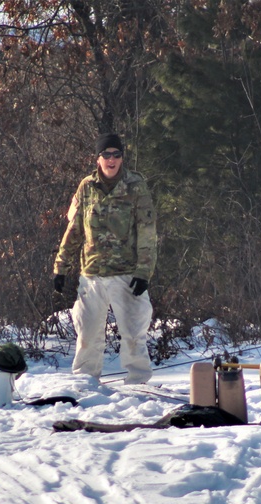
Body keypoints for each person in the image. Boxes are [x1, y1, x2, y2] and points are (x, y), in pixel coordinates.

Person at [53, 132, 158, 385]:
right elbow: (75, 229)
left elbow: (147, 231)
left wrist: (144, 272)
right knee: (87, 335)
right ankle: (85, 385)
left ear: (122, 158)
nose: (111, 160)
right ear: (98, 158)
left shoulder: (136, 186)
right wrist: (61, 267)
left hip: (127, 275)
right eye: (106, 155)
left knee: (134, 334)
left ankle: (139, 386)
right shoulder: (86, 187)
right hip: (92, 275)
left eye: (116, 154)